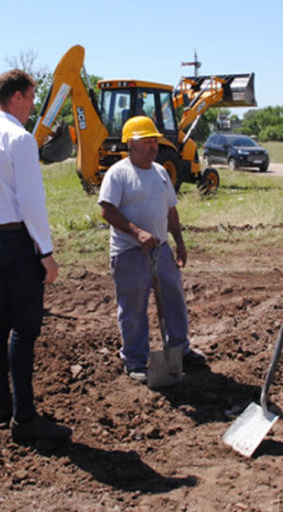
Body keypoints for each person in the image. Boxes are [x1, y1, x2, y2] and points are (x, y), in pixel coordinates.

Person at [0, 69, 71, 443]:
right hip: (19, 242)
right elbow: (31, 202)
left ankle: (1, 407)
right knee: (24, 330)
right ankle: (25, 420)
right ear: (18, 97)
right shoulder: (20, 139)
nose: (32, 106)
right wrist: (46, 252)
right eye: (31, 97)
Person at [97, 116, 206, 384]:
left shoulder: (160, 172)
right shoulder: (118, 173)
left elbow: (170, 209)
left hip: (162, 249)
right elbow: (107, 210)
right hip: (129, 252)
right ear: (131, 144)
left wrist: (179, 242)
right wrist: (136, 232)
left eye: (154, 140)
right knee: (133, 306)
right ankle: (134, 358)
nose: (153, 146)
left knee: (173, 299)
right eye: (146, 141)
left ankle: (180, 349)